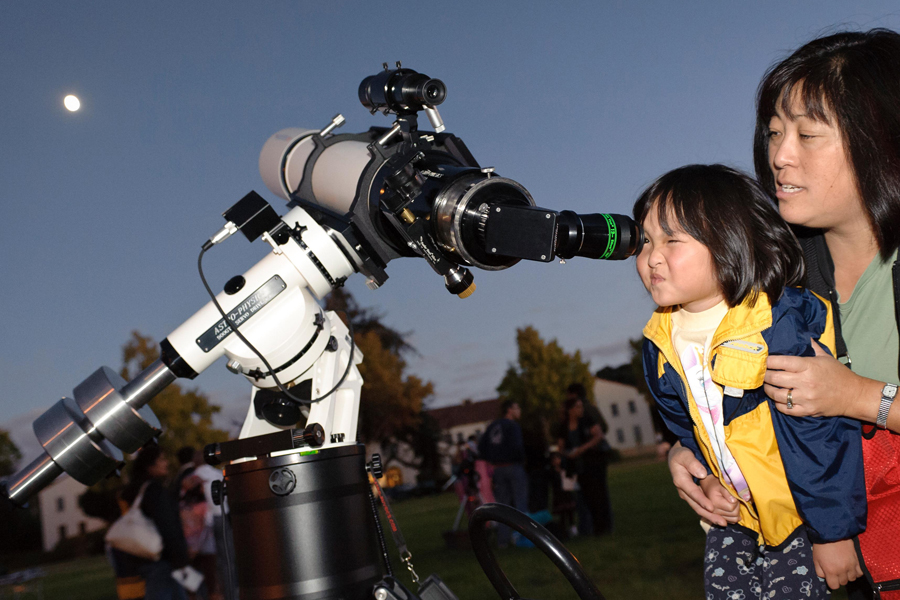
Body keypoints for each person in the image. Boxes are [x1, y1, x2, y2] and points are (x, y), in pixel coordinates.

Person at [666, 29, 900, 598]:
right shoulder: (777, 283)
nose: (779, 155)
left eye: (807, 134)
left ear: (881, 141)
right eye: (773, 132)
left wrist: (860, 397)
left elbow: (839, 401)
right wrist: (691, 451)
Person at [635, 164, 865, 599]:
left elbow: (818, 430)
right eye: (645, 239)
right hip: (735, 519)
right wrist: (703, 477)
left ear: (729, 244)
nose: (652, 255)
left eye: (672, 239)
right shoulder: (659, 341)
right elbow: (686, 430)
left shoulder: (773, 321)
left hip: (799, 516)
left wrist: (832, 531)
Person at [115, 443, 192, 600]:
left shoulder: (133, 491)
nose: (166, 463)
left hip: (142, 556)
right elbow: (167, 525)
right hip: (162, 558)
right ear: (149, 465)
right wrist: (180, 556)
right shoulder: (154, 490)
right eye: (161, 459)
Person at [555, 386, 612, 536]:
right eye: (577, 407)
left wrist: (581, 449)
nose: (581, 409)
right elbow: (560, 446)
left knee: (599, 493)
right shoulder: (564, 426)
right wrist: (566, 454)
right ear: (570, 410)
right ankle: (594, 527)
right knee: (586, 496)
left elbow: (598, 435)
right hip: (578, 465)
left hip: (593, 461)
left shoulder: (587, 419)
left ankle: (604, 526)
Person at [477, 400, 528, 548]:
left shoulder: (493, 426)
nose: (519, 411)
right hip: (513, 466)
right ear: (510, 410)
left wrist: (492, 460)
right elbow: (518, 446)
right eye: (517, 407)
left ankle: (503, 540)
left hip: (498, 468)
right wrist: (521, 459)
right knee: (520, 502)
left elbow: (482, 448)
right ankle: (522, 537)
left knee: (503, 506)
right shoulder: (512, 426)